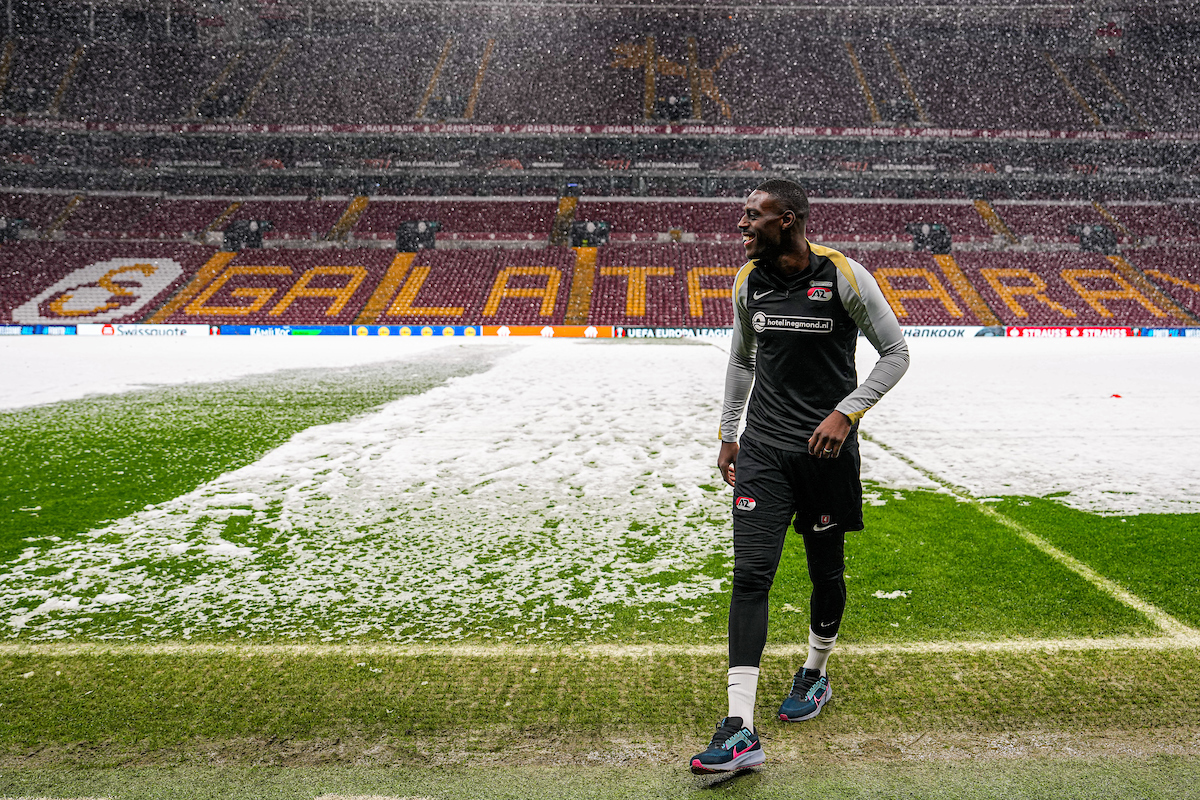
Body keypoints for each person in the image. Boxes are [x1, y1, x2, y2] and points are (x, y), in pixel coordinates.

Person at [690, 179, 910, 774]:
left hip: (824, 454)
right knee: (750, 575)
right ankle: (740, 727)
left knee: (824, 570)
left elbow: (897, 354)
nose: (741, 225)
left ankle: (814, 671)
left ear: (786, 220)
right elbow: (741, 359)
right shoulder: (747, 282)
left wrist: (847, 411)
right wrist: (728, 433)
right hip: (762, 449)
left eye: (751, 216)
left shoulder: (844, 275)